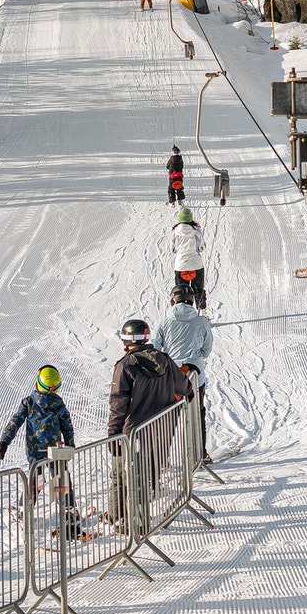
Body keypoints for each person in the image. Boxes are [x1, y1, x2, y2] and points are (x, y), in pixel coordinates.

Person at [107, 320, 193, 530]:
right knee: (144, 471)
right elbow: (186, 387)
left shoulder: (125, 365)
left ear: (126, 341)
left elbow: (118, 403)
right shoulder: (164, 360)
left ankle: (135, 520)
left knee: (131, 474)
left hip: (134, 431)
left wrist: (113, 433)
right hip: (160, 428)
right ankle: (117, 513)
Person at [0, 364, 80, 537]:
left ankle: (24, 511)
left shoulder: (29, 402)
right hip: (56, 453)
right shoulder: (59, 405)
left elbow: (15, 422)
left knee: (35, 483)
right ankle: (70, 512)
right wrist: (70, 444)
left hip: (36, 453)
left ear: (37, 382)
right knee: (62, 480)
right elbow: (67, 426)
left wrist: (5, 441)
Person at [156, 288, 215, 462]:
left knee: (168, 418)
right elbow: (207, 348)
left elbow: (155, 347)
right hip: (195, 375)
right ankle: (199, 455)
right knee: (197, 414)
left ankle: (161, 457)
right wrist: (196, 355)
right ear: (192, 301)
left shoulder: (164, 321)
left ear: (173, 301)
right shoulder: (201, 321)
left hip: (172, 377)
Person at [171, 207, 207, 309]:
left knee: (181, 292)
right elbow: (201, 247)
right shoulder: (196, 232)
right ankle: (203, 313)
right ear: (191, 218)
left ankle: (182, 313)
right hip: (196, 265)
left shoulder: (175, 232)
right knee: (198, 290)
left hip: (181, 265)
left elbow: (173, 249)